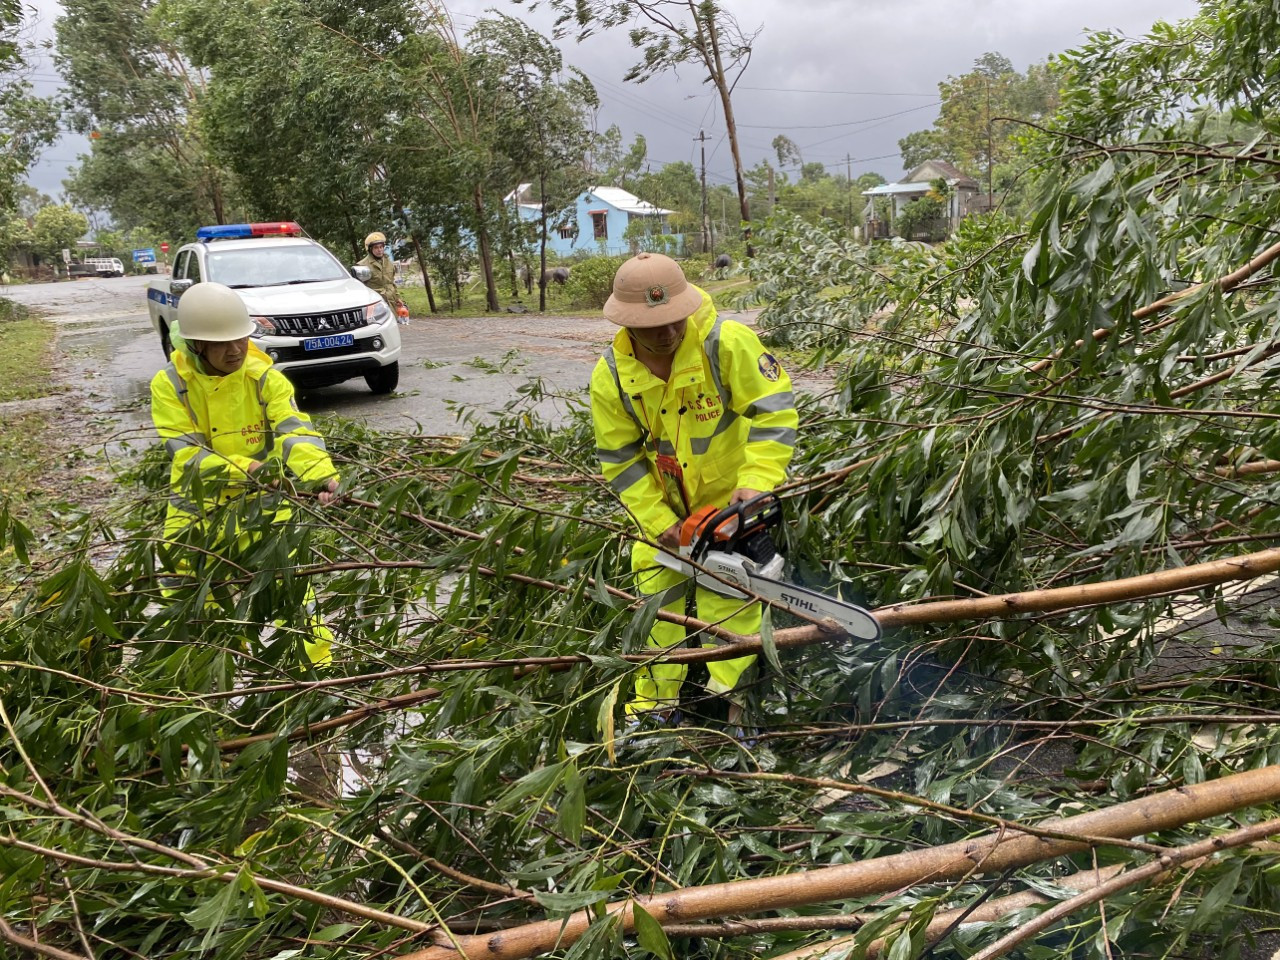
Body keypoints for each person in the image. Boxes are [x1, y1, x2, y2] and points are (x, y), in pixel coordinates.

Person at [589, 252, 798, 722]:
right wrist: (661, 523)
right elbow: (618, 459)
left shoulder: (724, 344)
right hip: (661, 508)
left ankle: (730, 704)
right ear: (627, 323)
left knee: (730, 609)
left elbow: (776, 411)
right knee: (656, 610)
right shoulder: (612, 375)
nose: (667, 332)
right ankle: (656, 709)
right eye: (653, 325)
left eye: (673, 320)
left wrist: (755, 485)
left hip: (729, 504)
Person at [150, 282, 341, 666]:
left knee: (293, 593)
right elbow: (188, 456)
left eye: (239, 338)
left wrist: (320, 474)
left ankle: (321, 678)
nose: (235, 349)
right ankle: (204, 689)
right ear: (196, 344)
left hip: (263, 510)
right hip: (196, 515)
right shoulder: (170, 385)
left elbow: (294, 430)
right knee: (187, 605)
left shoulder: (265, 378)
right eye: (221, 343)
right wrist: (249, 468)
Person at [357, 231, 406, 316]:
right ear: (370, 249)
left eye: (381, 247)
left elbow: (391, 283)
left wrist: (397, 298)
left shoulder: (388, 262)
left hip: (391, 304)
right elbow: (360, 289)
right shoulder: (362, 265)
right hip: (376, 306)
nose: (379, 250)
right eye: (376, 248)